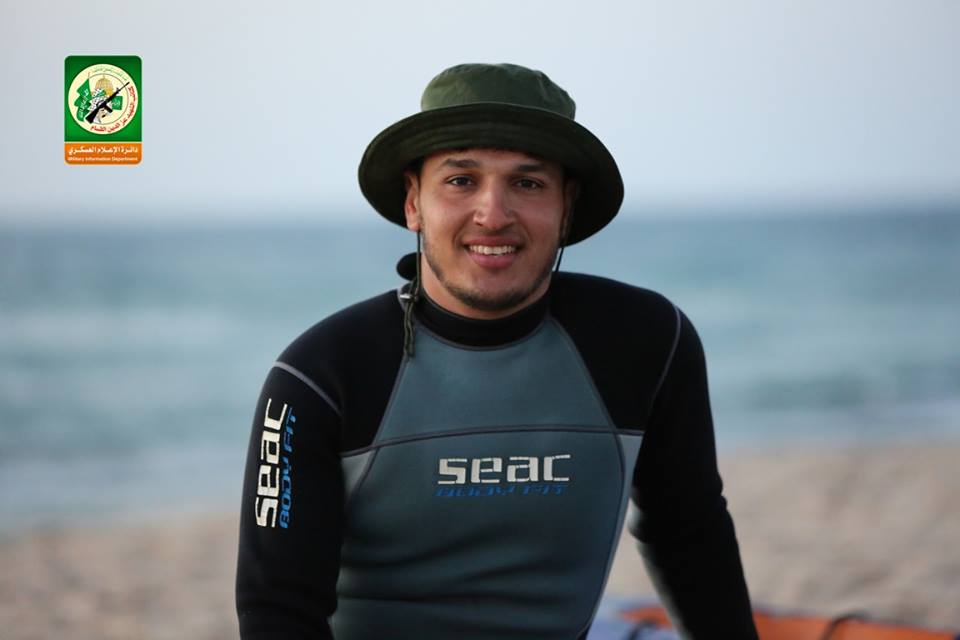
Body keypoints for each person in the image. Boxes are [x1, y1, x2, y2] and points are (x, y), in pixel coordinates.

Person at [236, 62, 758, 640]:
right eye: (461, 180)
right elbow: (278, 607)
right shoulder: (320, 376)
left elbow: (689, 533)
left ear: (567, 207)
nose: (493, 214)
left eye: (528, 184)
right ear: (413, 201)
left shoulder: (648, 342)